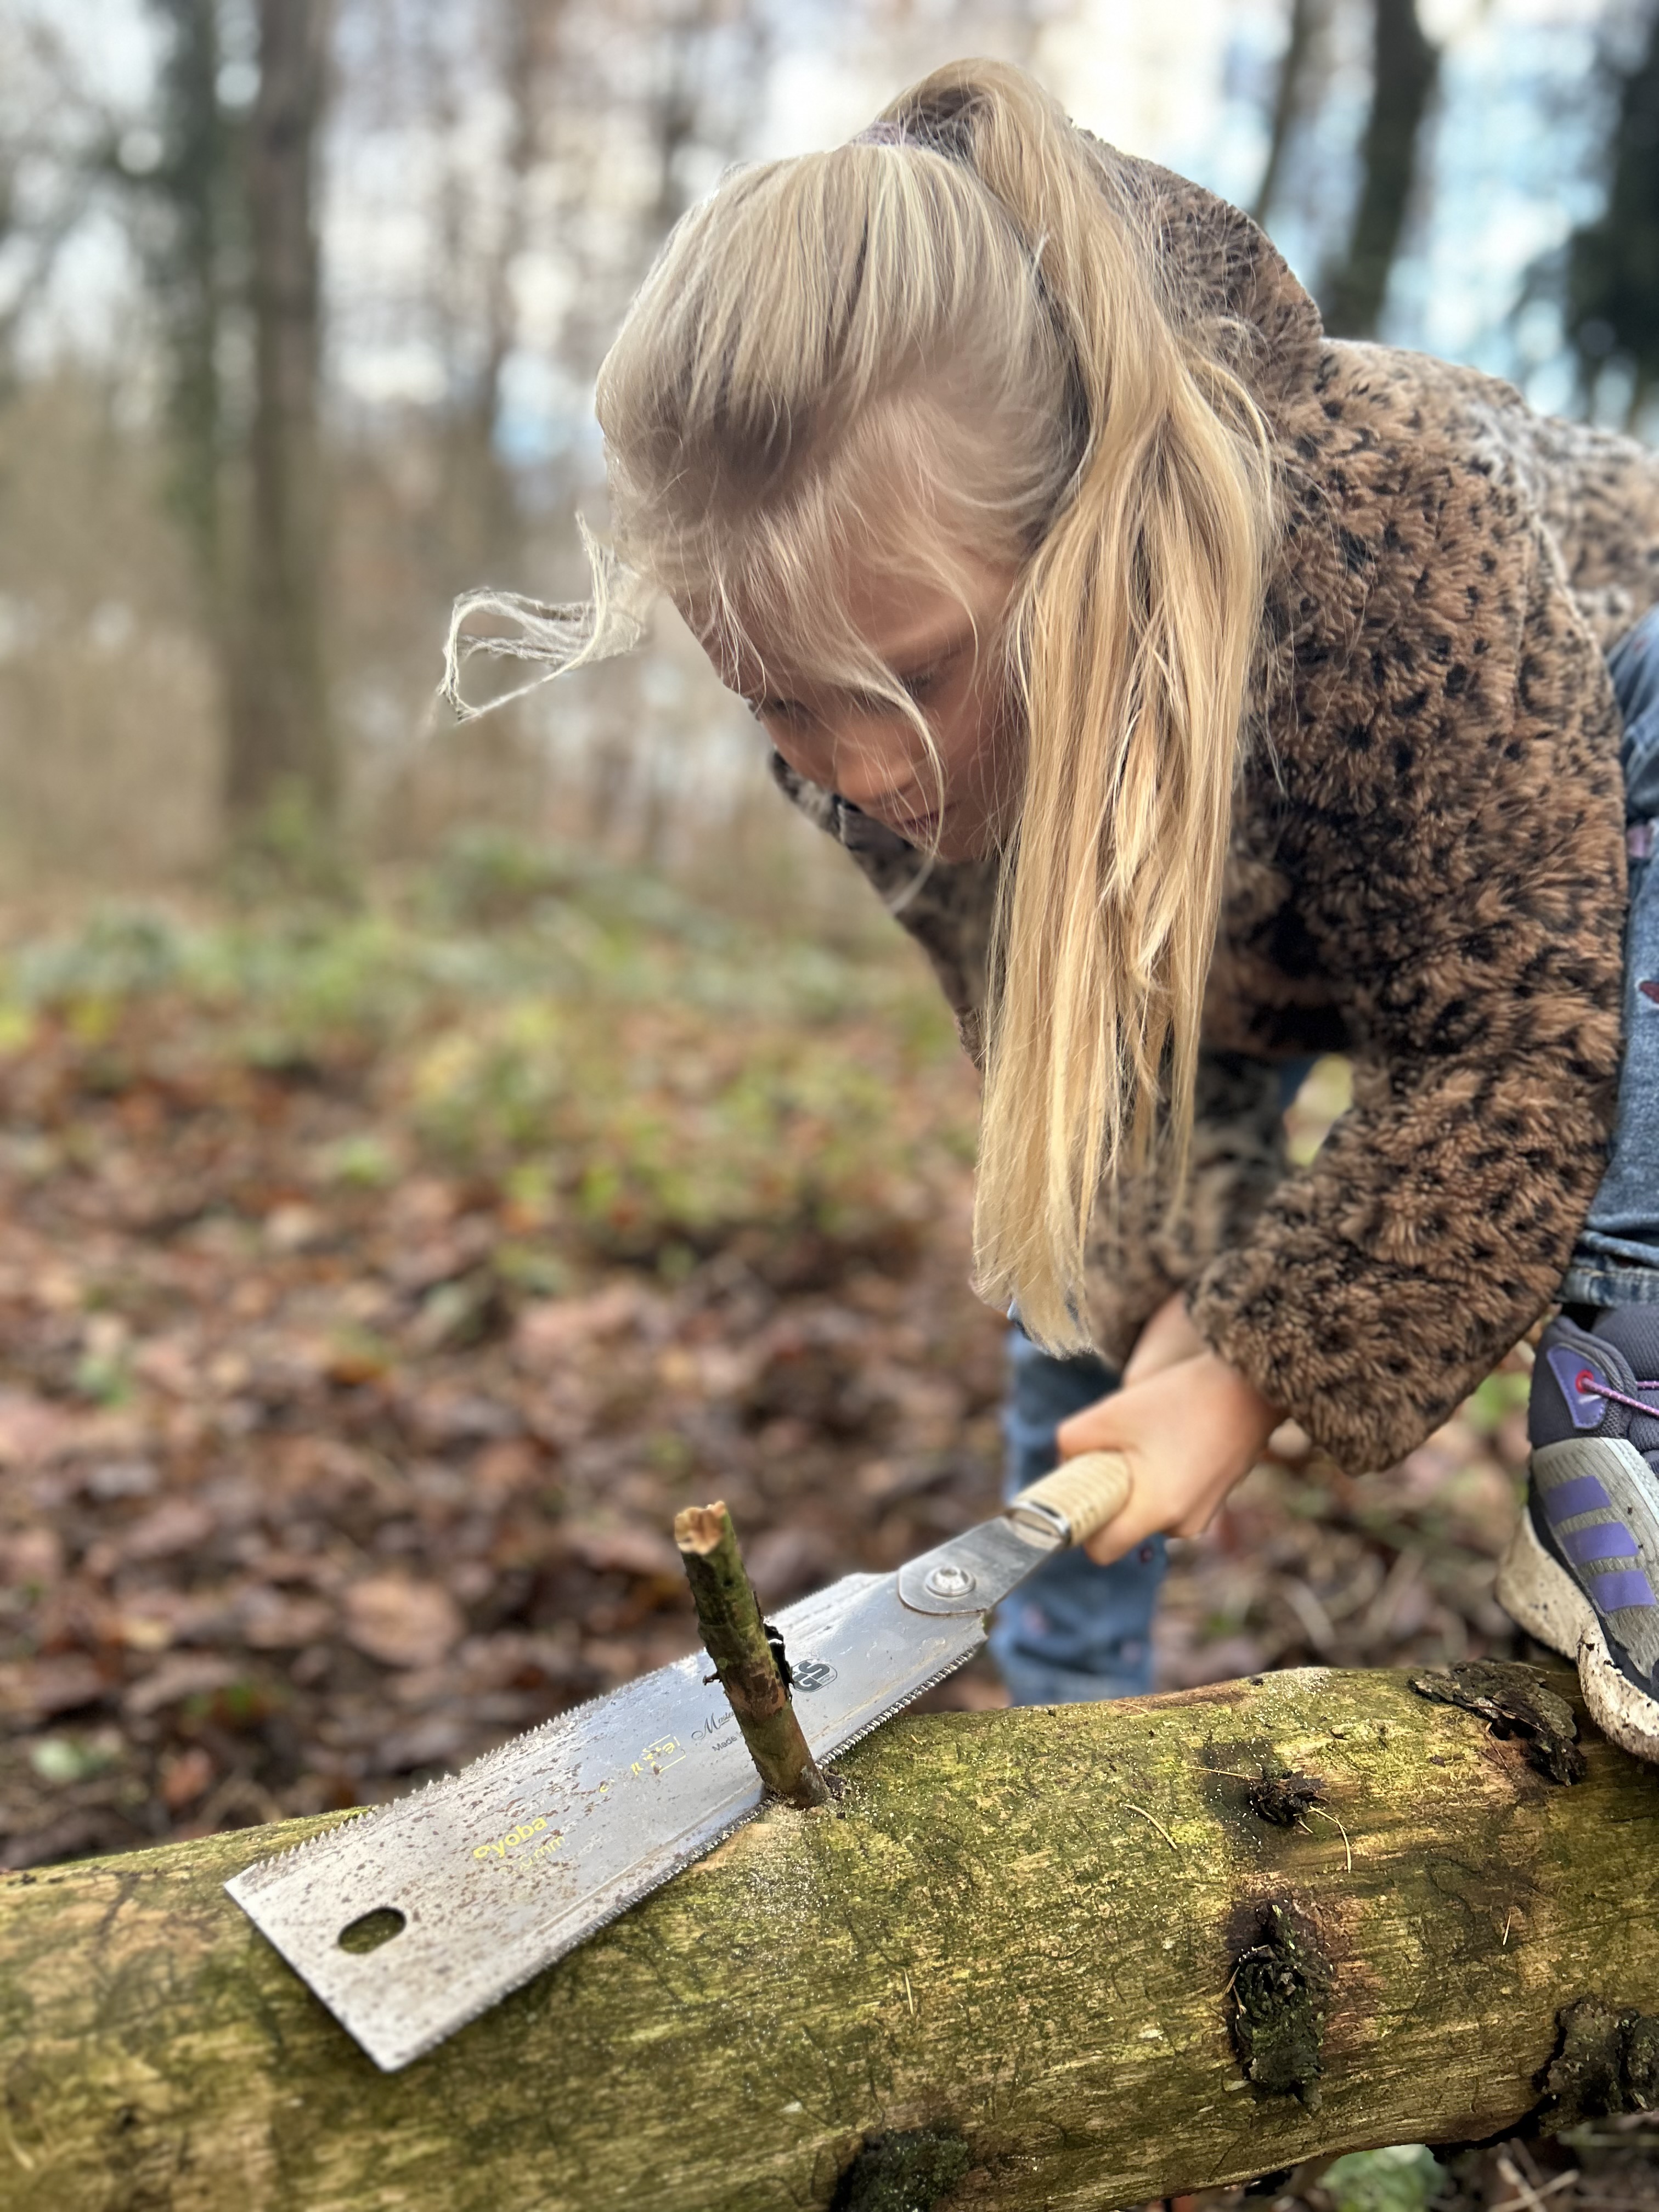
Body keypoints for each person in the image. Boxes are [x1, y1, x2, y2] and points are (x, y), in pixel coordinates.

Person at [444, 59, 1659, 1759]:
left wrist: (1248, 1357)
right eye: (779, 700)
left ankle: (1636, 1451)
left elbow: (1514, 1053)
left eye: (912, 674)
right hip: (1220, 912)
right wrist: (1170, 1290)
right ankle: (1072, 1743)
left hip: (1561, 827)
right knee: (1079, 1269)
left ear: (1093, 533)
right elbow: (1067, 1049)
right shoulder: (862, 736)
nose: (856, 768)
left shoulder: (1386, 534)